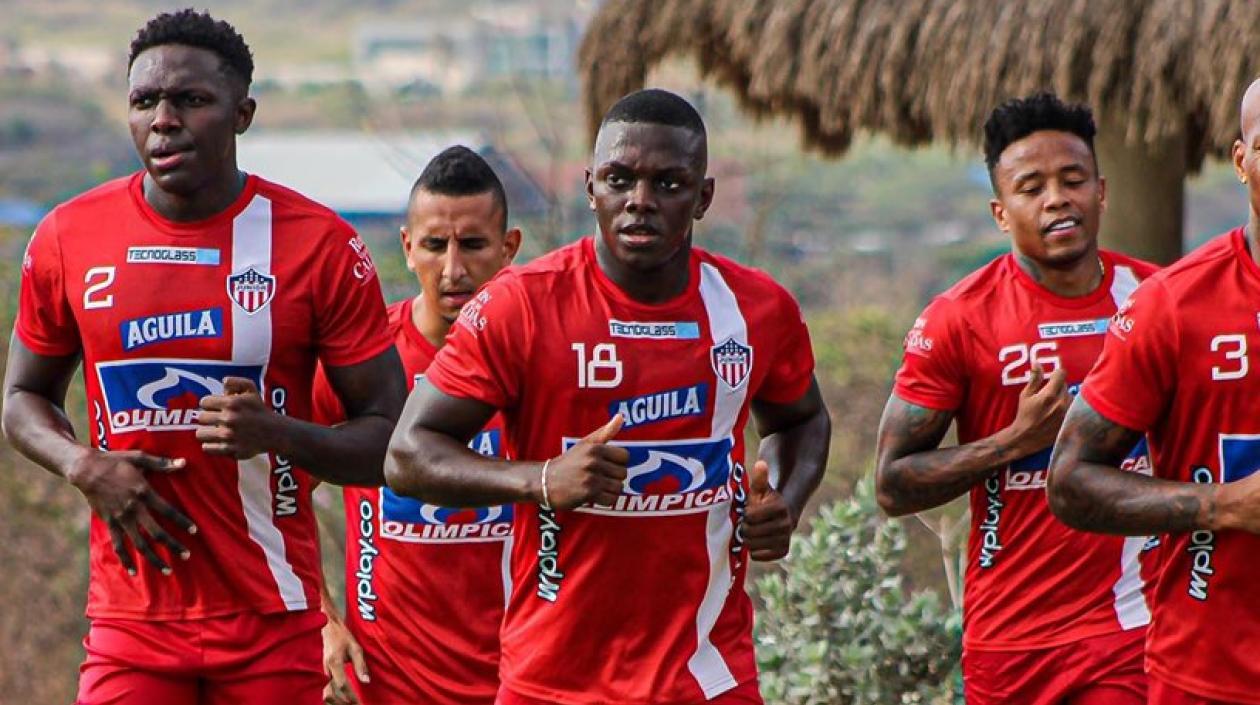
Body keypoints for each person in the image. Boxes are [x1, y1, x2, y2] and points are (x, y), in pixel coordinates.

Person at [1, 10, 405, 705]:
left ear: (241, 113)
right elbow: (22, 399)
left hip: (271, 615)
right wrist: (82, 462)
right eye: (144, 101)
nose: (163, 119)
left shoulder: (320, 245)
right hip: (131, 621)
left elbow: (389, 441)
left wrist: (281, 434)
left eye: (190, 100)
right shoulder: (71, 235)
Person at [383, 88, 830, 705]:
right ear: (591, 187)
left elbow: (802, 419)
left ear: (703, 197)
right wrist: (540, 480)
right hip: (555, 680)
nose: (639, 202)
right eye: (620, 180)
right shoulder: (522, 305)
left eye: (668, 184)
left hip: (707, 674)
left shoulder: (756, 309)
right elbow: (407, 454)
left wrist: (784, 499)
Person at [875, 93, 1159, 705]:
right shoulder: (959, 319)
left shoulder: (1157, 300)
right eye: (1032, 187)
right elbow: (893, 485)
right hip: (1011, 638)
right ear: (1001, 213)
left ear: (1101, 192)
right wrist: (1017, 441)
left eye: (1072, 180)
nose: (1057, 198)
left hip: (1134, 624)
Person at [1048, 79, 1260, 705]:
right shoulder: (1173, 303)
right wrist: (1224, 506)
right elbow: (1070, 480)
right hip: (1208, 676)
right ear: (1241, 159)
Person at [315, 146, 521, 705]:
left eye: (473, 245)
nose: (453, 269)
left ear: (509, 249)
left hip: (522, 680)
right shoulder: (365, 360)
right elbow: (277, 488)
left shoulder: (539, 360)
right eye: (435, 245)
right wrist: (324, 621)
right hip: (385, 682)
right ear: (408, 247)